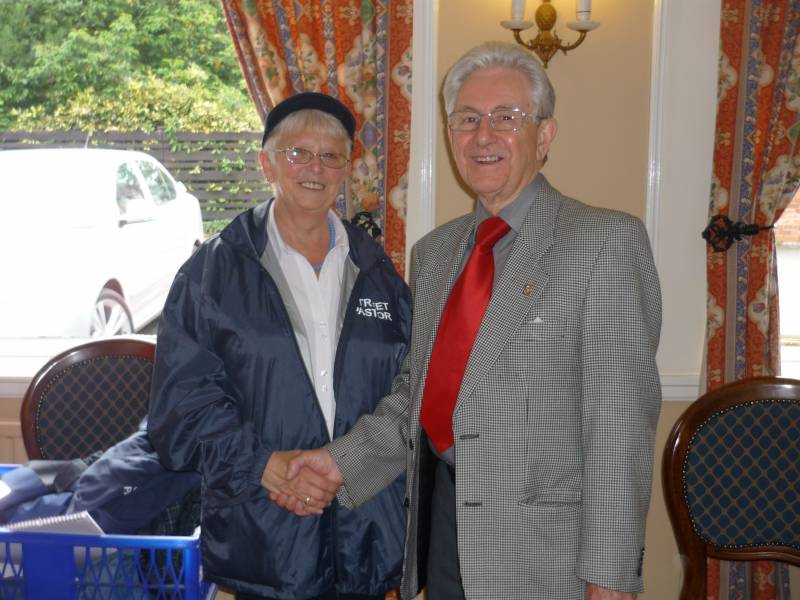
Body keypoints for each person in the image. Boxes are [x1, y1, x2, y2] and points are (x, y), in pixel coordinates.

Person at [272, 42, 662, 600]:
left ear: (544, 135)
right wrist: (336, 465)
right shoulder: (436, 253)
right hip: (440, 533)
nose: (484, 136)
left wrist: (611, 576)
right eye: (468, 120)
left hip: (546, 557)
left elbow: (619, 429)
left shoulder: (602, 243)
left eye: (507, 118)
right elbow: (418, 400)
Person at [147, 92, 412, 599]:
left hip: (369, 536)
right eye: (298, 153)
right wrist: (266, 467)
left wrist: (345, 463)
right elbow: (180, 411)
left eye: (331, 155)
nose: (316, 167)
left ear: (348, 169)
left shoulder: (378, 273)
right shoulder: (212, 275)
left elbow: (413, 386)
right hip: (264, 537)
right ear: (266, 161)